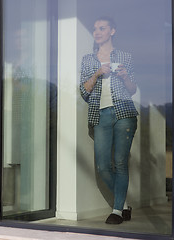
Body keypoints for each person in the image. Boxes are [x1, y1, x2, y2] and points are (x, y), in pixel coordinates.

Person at [79, 16, 138, 224]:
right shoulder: (88, 59)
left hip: (124, 114)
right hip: (100, 115)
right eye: (95, 29)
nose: (97, 32)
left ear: (112, 31)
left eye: (102, 28)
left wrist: (124, 76)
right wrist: (96, 73)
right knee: (103, 167)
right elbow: (83, 91)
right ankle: (123, 205)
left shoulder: (125, 57)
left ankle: (116, 212)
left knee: (120, 162)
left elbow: (132, 90)